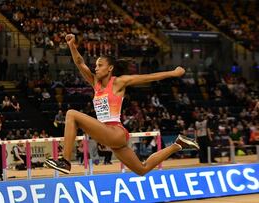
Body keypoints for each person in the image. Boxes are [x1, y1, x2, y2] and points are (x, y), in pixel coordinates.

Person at [45, 34, 199, 175]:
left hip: (114, 131)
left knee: (71, 114)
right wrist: (72, 45)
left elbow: (147, 78)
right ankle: (178, 144)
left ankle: (65, 161)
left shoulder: (118, 82)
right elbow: (79, 62)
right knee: (142, 169)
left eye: (100, 65)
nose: (95, 68)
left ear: (110, 68)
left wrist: (172, 73)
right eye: (96, 65)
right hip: (109, 135)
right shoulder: (95, 84)